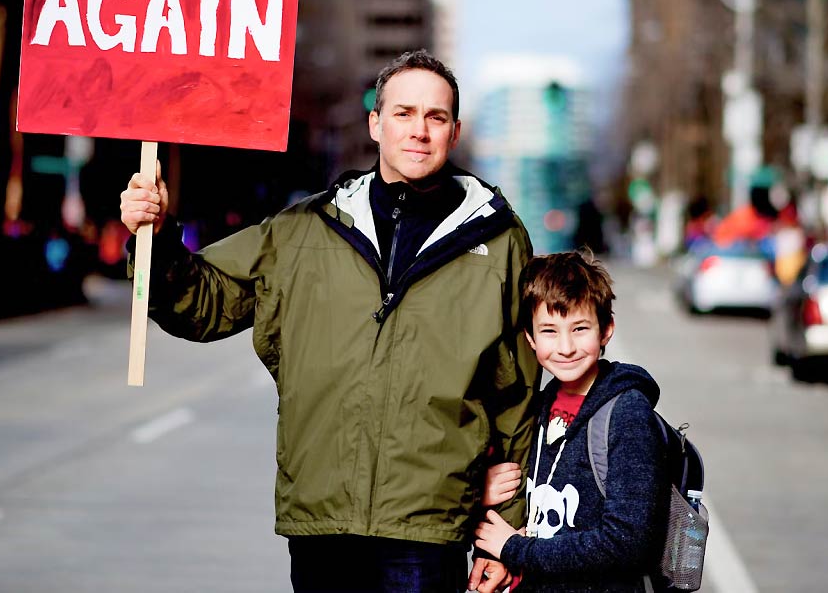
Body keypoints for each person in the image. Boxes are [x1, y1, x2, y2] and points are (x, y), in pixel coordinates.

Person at [120, 50, 538, 593]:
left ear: (454, 131)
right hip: (322, 523)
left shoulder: (499, 240)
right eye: (403, 113)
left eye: (435, 117)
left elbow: (518, 397)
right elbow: (202, 304)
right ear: (375, 123)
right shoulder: (302, 230)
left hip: (429, 528)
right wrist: (155, 237)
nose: (418, 131)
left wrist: (506, 532)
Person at [474, 252, 669, 593]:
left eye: (580, 329)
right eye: (549, 331)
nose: (565, 347)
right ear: (531, 339)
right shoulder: (538, 406)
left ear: (606, 330)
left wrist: (516, 550)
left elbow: (627, 542)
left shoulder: (627, 414)